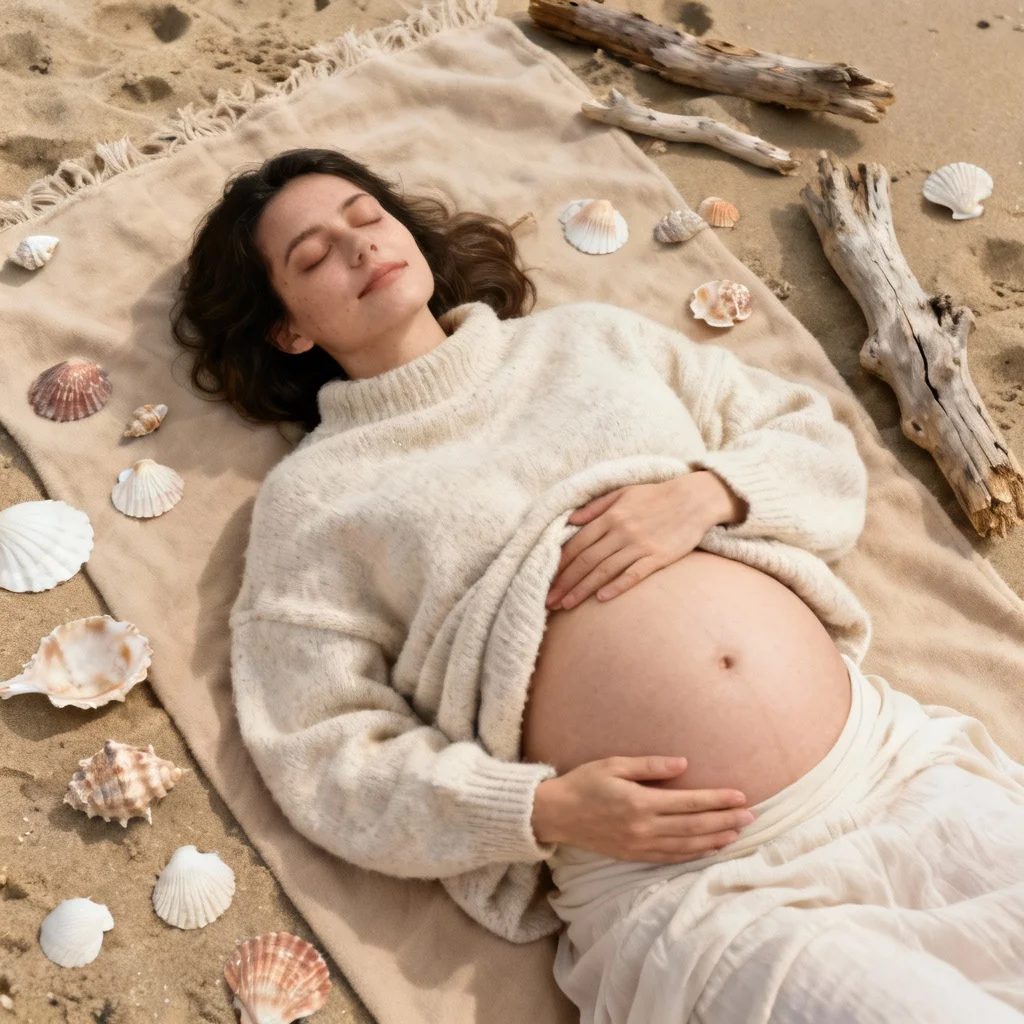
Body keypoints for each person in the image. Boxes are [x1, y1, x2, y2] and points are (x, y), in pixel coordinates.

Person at [172, 147, 1024, 1023]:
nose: (357, 247)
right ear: (290, 330)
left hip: (896, 770)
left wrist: (710, 493)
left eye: (367, 216)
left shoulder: (587, 339)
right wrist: (536, 809)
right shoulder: (316, 500)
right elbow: (319, 750)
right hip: (702, 888)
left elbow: (808, 436)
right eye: (311, 258)